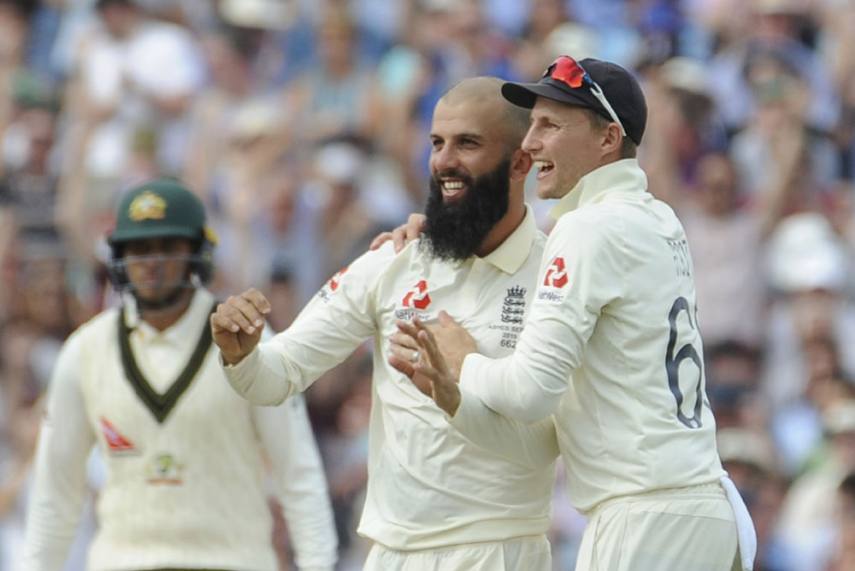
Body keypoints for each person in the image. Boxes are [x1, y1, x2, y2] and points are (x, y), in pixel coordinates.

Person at [393, 56, 757, 571]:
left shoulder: (589, 228)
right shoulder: (657, 218)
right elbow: (551, 427)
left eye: (549, 125)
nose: (529, 143)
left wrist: (463, 360)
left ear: (608, 138)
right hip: (701, 510)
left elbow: (528, 392)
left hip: (645, 517)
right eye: (531, 124)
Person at [210, 77, 560, 571]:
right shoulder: (393, 260)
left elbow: (545, 446)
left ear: (521, 162)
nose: (444, 162)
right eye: (437, 143)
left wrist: (457, 393)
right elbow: (279, 374)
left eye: (469, 143)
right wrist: (240, 353)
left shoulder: (557, 279)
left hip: (501, 549)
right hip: (391, 553)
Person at [22, 178, 338, 571]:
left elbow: (299, 476)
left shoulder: (247, 340)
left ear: (197, 252)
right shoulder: (85, 351)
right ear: (119, 257)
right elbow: (55, 493)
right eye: (139, 248)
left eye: (167, 247)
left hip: (230, 561)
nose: (151, 263)